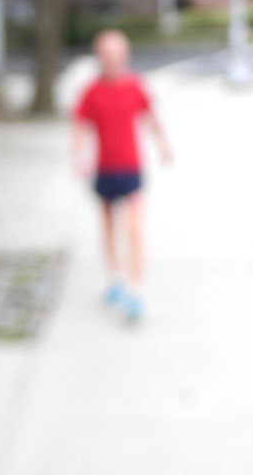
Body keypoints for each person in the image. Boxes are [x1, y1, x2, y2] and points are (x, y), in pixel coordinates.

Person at [72, 28, 172, 323]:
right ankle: (116, 275)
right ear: (99, 58)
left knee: (134, 228)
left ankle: (136, 288)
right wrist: (80, 157)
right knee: (108, 226)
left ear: (125, 56)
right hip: (105, 169)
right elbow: (80, 126)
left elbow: (151, 117)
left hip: (131, 167)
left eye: (117, 55)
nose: (112, 61)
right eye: (106, 55)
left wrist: (163, 145)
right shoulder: (91, 91)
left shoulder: (135, 86)